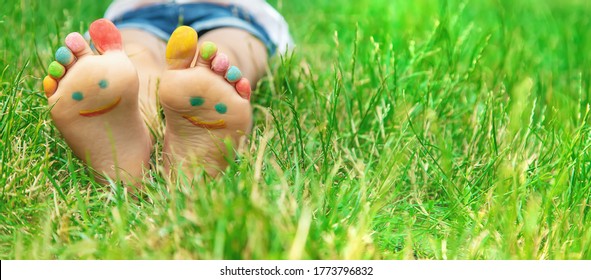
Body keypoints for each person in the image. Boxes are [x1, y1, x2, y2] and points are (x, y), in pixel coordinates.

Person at [42, 0, 293, 185]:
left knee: (139, 57)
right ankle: (144, 120)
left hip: (152, 14)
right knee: (227, 52)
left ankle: (141, 113)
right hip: (217, 13)